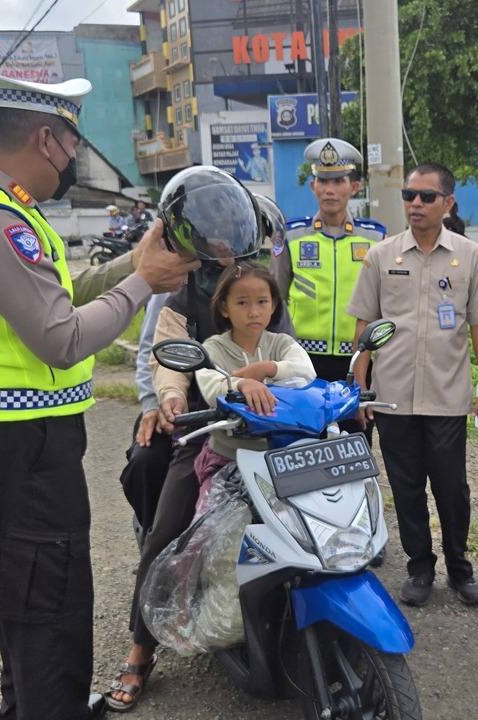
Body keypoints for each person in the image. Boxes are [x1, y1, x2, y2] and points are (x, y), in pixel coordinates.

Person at [0, 70, 197, 720]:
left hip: (21, 446)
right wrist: (143, 285)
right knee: (48, 615)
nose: (75, 161)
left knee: (31, 609)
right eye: (75, 145)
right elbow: (61, 337)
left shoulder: (7, 208)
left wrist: (134, 263)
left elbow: (63, 293)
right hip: (18, 452)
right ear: (46, 139)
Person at [106, 168, 294, 712]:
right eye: (215, 235)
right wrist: (163, 402)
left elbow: (290, 350)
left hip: (273, 424)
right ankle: (141, 647)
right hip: (208, 427)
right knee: (166, 524)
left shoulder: (262, 280)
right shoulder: (180, 287)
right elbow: (164, 358)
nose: (228, 248)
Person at [348, 162, 478, 608]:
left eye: (426, 196)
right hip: (393, 396)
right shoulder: (382, 256)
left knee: (452, 488)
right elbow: (364, 325)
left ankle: (460, 568)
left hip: (446, 395)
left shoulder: (469, 256)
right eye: (408, 195)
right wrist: (362, 388)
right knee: (406, 486)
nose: (415, 204)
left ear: (447, 203)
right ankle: (420, 567)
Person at [270, 137, 385, 439]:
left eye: (338, 180)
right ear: (313, 187)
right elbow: (273, 299)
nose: (330, 189)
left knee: (354, 444)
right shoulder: (291, 236)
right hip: (302, 360)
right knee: (302, 444)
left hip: (355, 361)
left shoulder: (374, 239)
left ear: (354, 187)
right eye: (322, 180)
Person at [193, 262, 316, 485]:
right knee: (215, 518)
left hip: (281, 458)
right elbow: (210, 386)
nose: (254, 312)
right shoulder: (213, 348)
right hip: (227, 456)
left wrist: (267, 368)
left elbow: (307, 372)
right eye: (242, 303)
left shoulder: (281, 344)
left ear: (274, 305)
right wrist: (242, 384)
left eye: (262, 302)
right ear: (224, 308)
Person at [117, 291, 172, 550]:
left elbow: (286, 349)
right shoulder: (174, 287)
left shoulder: (254, 282)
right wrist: (151, 405)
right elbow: (150, 349)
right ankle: (152, 544)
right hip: (174, 406)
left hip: (243, 410)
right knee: (146, 463)